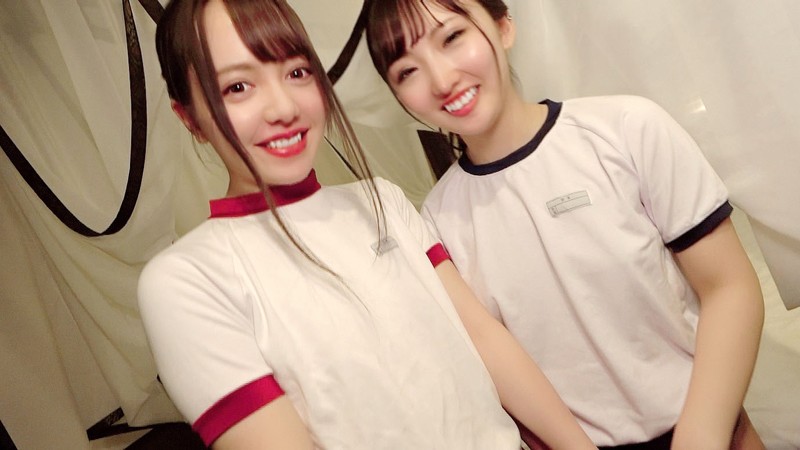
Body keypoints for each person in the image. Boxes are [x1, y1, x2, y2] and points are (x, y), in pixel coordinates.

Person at [138, 0, 597, 448]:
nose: (283, 108)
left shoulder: (383, 201)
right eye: (238, 87)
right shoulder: (186, 280)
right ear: (189, 117)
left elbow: (484, 339)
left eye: (297, 73)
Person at [365, 0, 766, 448]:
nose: (441, 80)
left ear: (503, 26)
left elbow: (729, 287)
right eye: (407, 71)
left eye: (452, 37)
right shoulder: (438, 221)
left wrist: (702, 435)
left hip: (712, 431)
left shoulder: (626, 129)